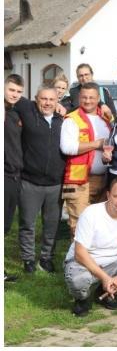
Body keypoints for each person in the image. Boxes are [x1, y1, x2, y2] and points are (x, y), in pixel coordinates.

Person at [64, 176, 117, 316]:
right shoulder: (91, 213)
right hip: (84, 263)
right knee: (78, 281)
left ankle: (106, 290)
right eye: (116, 196)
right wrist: (105, 277)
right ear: (108, 195)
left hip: (114, 263)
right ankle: (83, 298)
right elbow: (80, 253)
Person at [15, 84, 65, 274]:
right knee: (27, 224)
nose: (47, 103)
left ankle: (46, 259)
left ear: (57, 101)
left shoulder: (63, 120)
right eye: (43, 98)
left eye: (51, 99)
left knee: (51, 225)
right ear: (36, 99)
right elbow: (13, 97)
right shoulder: (28, 113)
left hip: (55, 184)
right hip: (30, 182)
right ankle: (28, 260)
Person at [61, 82, 113, 232]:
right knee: (79, 227)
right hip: (78, 181)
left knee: (99, 226)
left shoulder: (106, 119)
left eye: (91, 97)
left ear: (98, 99)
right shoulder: (71, 119)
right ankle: (76, 256)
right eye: (84, 97)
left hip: (102, 181)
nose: (88, 100)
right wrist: (97, 144)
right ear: (79, 98)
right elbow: (67, 148)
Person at [4, 75, 22, 280]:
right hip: (5, 174)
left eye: (18, 91)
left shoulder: (16, 110)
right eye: (11, 90)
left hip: (15, 175)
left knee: (6, 224)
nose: (14, 94)